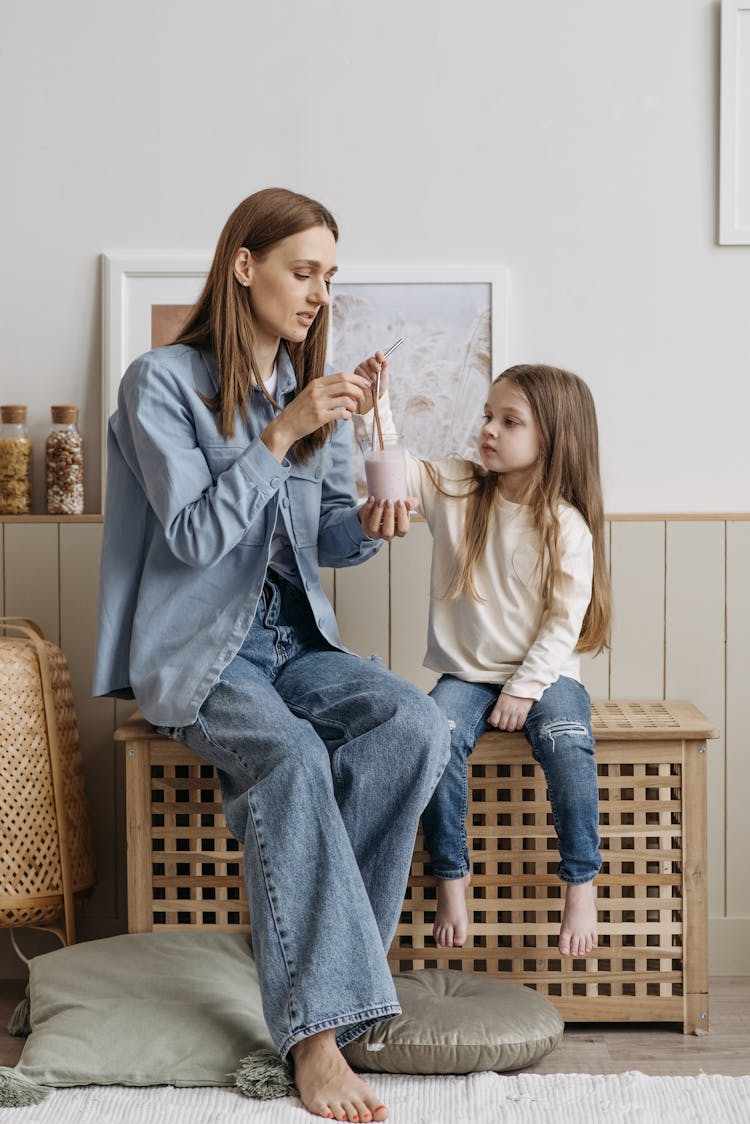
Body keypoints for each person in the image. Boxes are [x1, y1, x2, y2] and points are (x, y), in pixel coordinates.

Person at [93, 187, 450, 1123]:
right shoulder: (158, 383)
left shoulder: (308, 388)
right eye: (303, 271)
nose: (319, 294)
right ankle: (319, 1042)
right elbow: (192, 538)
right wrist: (283, 433)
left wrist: (372, 525)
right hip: (200, 655)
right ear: (244, 266)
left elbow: (323, 537)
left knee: (411, 724)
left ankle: (333, 988)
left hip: (297, 646)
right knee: (291, 758)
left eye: (330, 277)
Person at [355, 357, 612, 957]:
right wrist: (379, 406)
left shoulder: (565, 525)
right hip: (468, 674)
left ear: (552, 437)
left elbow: (561, 623)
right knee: (435, 734)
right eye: (488, 416)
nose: (489, 430)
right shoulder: (460, 489)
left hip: (544, 676)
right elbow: (396, 476)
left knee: (568, 738)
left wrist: (524, 689)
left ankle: (581, 882)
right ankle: (452, 876)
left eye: (510, 421)